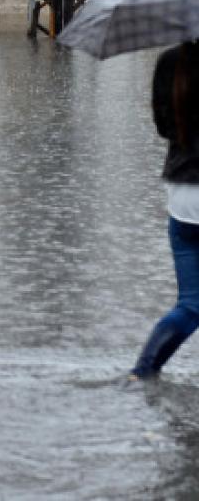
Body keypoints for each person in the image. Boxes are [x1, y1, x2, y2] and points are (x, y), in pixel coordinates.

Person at [131, 40, 199, 379]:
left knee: (190, 303)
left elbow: (163, 127)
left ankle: (142, 370)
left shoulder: (170, 62)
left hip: (183, 197)